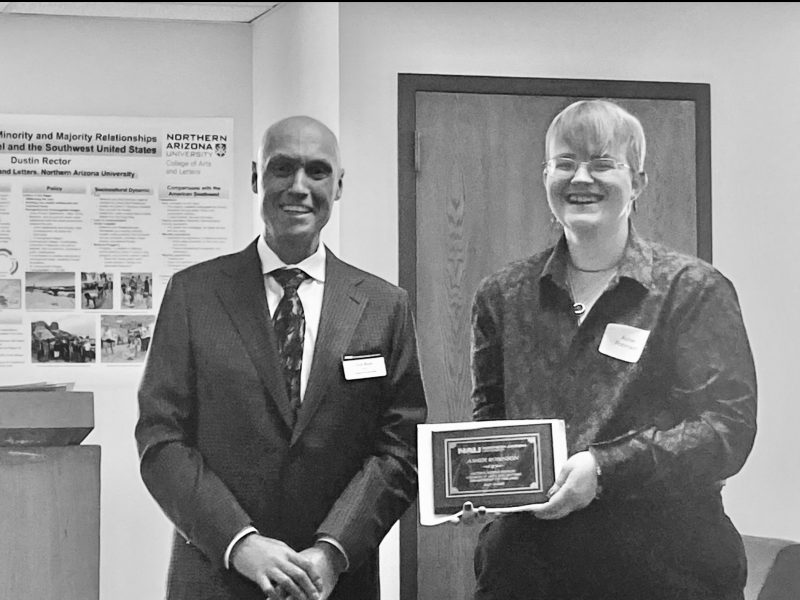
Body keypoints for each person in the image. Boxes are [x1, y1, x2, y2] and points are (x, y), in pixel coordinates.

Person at [469, 99, 757, 600]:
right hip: (529, 573)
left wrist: (603, 469)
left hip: (668, 571)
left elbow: (727, 429)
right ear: (545, 177)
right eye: (565, 163)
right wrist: (482, 480)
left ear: (638, 183)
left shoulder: (692, 290)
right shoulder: (502, 295)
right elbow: (491, 415)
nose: (582, 178)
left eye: (603, 163)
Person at [136, 115, 427, 600]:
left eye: (316, 171)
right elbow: (160, 437)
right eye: (282, 168)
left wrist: (332, 551)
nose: (299, 186)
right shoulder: (193, 294)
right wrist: (241, 543)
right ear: (256, 177)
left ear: (338, 187)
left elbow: (400, 449)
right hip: (217, 574)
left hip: (334, 582)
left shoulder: (383, 306)